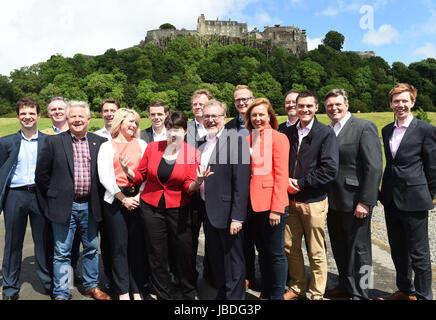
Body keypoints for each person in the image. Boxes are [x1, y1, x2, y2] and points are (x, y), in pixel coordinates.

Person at [119, 111, 209, 300]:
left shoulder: (191, 153)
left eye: (177, 129)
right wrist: (128, 171)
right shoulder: (153, 148)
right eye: (169, 130)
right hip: (151, 207)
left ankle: (189, 292)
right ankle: (163, 295)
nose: (172, 134)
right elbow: (140, 175)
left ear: (185, 131)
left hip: (178, 208)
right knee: (156, 254)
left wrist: (198, 181)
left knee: (184, 252)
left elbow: (188, 186)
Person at [35, 100, 110, 300]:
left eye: (80, 116)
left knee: (92, 248)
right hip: (63, 206)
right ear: (67, 119)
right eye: (73, 116)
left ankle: (91, 285)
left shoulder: (99, 143)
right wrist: (56, 193)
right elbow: (41, 175)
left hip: (90, 205)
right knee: (62, 252)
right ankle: (61, 291)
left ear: (88, 119)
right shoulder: (54, 142)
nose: (77, 120)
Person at [378, 83, 436, 301]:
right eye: (396, 101)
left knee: (419, 255)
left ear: (412, 102)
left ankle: (423, 296)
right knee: (398, 250)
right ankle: (405, 290)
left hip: (415, 201)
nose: (400, 105)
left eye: (404, 101)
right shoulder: (386, 130)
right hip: (391, 200)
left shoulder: (425, 130)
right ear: (391, 104)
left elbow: (433, 169)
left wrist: (425, 195)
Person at [324, 89, 383, 300]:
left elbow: (374, 167)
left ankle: (363, 291)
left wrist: (366, 202)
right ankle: (345, 286)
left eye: (338, 104)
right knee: (339, 247)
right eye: (330, 105)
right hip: (332, 201)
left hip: (355, 201)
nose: (334, 108)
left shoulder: (363, 127)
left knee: (361, 250)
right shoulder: (327, 129)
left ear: (346, 105)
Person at [283, 90, 339, 300]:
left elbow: (329, 169)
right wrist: (285, 181)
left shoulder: (325, 133)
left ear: (316, 108)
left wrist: (301, 182)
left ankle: (316, 293)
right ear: (295, 108)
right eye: (301, 106)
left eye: (309, 106)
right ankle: (298, 287)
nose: (304, 110)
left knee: (316, 251)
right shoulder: (287, 133)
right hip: (290, 200)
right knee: (290, 247)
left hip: (313, 201)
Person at [197, 100, 251, 300]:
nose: (211, 120)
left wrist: (238, 217)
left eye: (215, 116)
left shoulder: (236, 141)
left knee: (233, 260)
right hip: (208, 211)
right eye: (207, 117)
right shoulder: (203, 143)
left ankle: (235, 299)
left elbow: (242, 182)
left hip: (228, 213)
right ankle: (223, 293)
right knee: (217, 258)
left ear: (224, 118)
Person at [0, 98, 52, 300]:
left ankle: (49, 284)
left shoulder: (48, 142)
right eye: (23, 114)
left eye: (31, 113)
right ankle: (10, 289)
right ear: (18, 116)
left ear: (38, 116)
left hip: (39, 196)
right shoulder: (5, 142)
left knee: (44, 242)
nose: (27, 117)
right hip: (15, 195)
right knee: (12, 244)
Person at [97, 108, 148, 300]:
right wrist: (123, 199)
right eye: (130, 121)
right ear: (119, 122)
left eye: (135, 122)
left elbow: (147, 174)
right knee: (119, 247)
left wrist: (139, 196)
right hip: (116, 201)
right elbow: (105, 177)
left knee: (137, 247)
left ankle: (136, 290)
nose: (134, 125)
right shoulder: (106, 147)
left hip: (138, 199)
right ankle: (123, 291)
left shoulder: (142, 144)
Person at [244, 98, 290, 300]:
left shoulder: (278, 138)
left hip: (271, 205)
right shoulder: (247, 139)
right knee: (261, 252)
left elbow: (281, 175)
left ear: (270, 116)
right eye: (253, 115)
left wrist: (277, 208)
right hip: (251, 206)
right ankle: (266, 293)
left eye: (261, 114)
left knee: (275, 253)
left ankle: (277, 295)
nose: (257, 118)